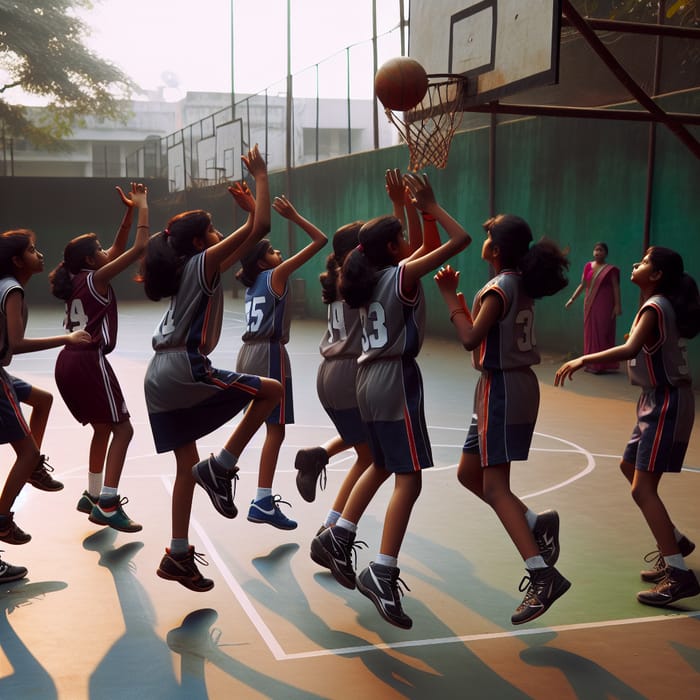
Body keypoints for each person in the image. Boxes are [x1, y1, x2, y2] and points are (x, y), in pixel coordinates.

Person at [310, 172, 471, 629]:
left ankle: (338, 534)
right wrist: (431, 205)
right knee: (411, 477)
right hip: (395, 378)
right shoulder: (399, 275)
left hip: (366, 376)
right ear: (393, 247)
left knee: (380, 464)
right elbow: (460, 239)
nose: (409, 241)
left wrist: (403, 211)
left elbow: (414, 245)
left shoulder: (369, 277)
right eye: (401, 237)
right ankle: (383, 569)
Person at [141, 145, 283, 592]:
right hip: (185, 365)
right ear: (202, 242)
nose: (221, 236)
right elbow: (260, 228)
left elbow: (249, 227)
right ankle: (222, 465)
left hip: (157, 374)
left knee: (186, 464)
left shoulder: (190, 265)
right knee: (273, 390)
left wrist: (245, 212)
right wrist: (260, 177)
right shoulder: (202, 264)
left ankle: (178, 554)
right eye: (214, 231)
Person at [435, 214, 571, 626]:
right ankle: (537, 523)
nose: (484, 238)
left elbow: (469, 339)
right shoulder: (517, 282)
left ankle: (541, 576)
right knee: (467, 473)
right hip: (504, 387)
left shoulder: (500, 288)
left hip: (503, 390)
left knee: (495, 487)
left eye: (488, 234)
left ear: (495, 249)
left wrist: (449, 296)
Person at [555, 246, 700, 607]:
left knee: (641, 489)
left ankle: (679, 575)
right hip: (654, 399)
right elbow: (644, 347)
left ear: (656, 276)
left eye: (645, 262)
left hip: (667, 401)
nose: (637, 263)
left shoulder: (655, 307)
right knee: (628, 467)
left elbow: (631, 348)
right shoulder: (657, 306)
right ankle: (675, 541)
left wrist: (584, 357)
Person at [49, 182, 150, 533]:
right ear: (93, 259)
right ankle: (108, 501)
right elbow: (137, 247)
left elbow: (119, 246)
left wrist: (127, 211)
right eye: (100, 250)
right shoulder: (98, 278)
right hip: (89, 360)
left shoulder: (78, 277)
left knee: (102, 428)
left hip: (67, 360)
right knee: (124, 429)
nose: (109, 251)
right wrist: (144, 206)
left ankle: (91, 494)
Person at [0, 229, 90, 581]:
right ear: (17, 260)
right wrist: (66, 339)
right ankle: (4, 518)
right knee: (24, 452)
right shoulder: (12, 289)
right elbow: (17, 344)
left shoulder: (7, 284)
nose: (40, 254)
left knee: (43, 399)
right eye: (33, 250)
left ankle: (34, 466)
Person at [235, 195, 328, 530]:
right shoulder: (275, 276)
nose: (279, 255)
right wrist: (295, 215)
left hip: (246, 354)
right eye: (273, 252)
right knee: (275, 429)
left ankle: (243, 482)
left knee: (256, 425)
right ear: (263, 263)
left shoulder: (252, 286)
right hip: (269, 354)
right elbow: (321, 240)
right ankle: (261, 498)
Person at [294, 222, 373, 535]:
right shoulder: (361, 280)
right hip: (350, 371)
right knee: (369, 457)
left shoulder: (339, 279)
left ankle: (320, 455)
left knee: (363, 438)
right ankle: (333, 527)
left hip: (326, 371)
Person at [565, 242, 621, 373]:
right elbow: (583, 285)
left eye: (601, 250)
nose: (597, 252)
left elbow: (615, 287)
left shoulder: (610, 270)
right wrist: (572, 299)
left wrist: (618, 305)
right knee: (590, 333)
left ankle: (602, 364)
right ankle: (591, 364)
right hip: (589, 304)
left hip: (605, 303)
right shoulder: (588, 266)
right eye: (596, 250)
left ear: (606, 253)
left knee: (602, 332)